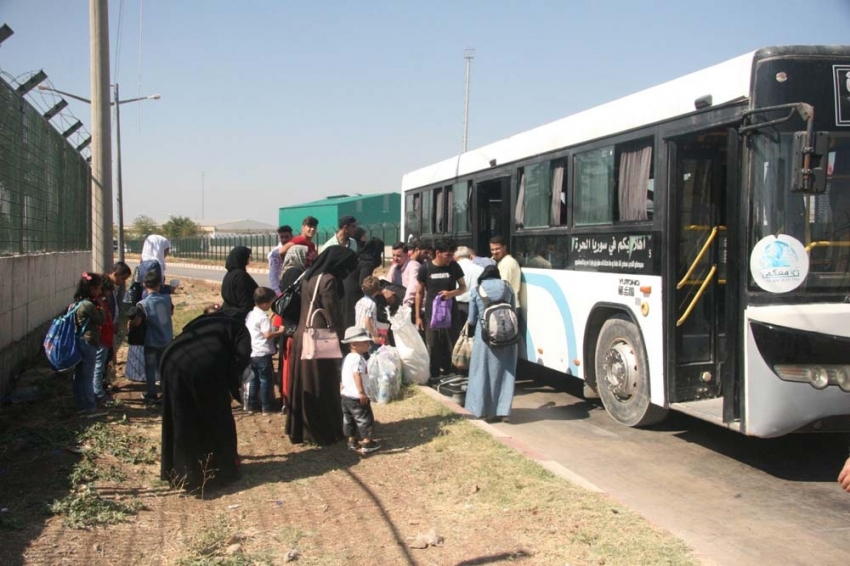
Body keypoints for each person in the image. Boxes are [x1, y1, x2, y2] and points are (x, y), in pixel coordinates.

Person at [159, 311, 252, 492]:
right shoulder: (240, 329)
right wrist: (233, 387)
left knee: (181, 416)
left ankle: (180, 470)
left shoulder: (200, 322)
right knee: (216, 416)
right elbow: (242, 358)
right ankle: (218, 469)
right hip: (204, 366)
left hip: (171, 359)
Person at [285, 246, 357, 446]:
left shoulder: (309, 276)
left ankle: (301, 430)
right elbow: (333, 314)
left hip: (302, 334)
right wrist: (344, 342)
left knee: (303, 383)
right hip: (319, 338)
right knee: (321, 384)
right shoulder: (328, 280)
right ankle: (322, 430)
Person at [464, 265, 518, 422]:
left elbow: (472, 320)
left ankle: (481, 410)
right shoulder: (508, 288)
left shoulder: (477, 290)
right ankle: (503, 411)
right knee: (506, 373)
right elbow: (513, 310)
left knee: (482, 372)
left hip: (485, 339)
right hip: (508, 337)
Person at [415, 237, 467, 381]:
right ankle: (434, 375)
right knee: (433, 346)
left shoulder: (454, 267)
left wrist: (451, 293)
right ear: (438, 253)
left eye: (452, 254)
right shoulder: (425, 268)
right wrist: (418, 316)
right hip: (432, 315)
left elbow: (463, 287)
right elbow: (419, 292)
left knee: (453, 344)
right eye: (448, 255)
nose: (450, 258)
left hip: (451, 314)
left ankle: (455, 375)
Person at [125, 235, 170, 383]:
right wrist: (169, 290)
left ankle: (139, 375)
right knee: (158, 341)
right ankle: (158, 379)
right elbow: (157, 288)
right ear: (158, 248)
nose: (166, 254)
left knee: (145, 343)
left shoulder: (142, 262)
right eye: (165, 250)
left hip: (142, 306)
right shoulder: (155, 264)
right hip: (154, 307)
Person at [130, 269, 174, 404]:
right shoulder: (167, 298)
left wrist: (130, 323)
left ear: (144, 285)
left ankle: (151, 393)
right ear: (159, 284)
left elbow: (137, 322)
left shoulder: (143, 304)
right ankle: (167, 392)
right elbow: (171, 312)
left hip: (151, 341)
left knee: (150, 367)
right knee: (164, 367)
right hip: (166, 339)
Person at [277, 245, 309, 412]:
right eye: (305, 255)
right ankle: (290, 400)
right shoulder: (296, 273)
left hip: (286, 323)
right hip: (293, 325)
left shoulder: (286, 271)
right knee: (291, 364)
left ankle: (286, 399)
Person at [339, 326, 381, 454]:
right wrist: (361, 392)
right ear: (354, 344)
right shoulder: (358, 359)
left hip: (346, 395)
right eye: (365, 342)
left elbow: (344, 373)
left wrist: (342, 385)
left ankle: (351, 441)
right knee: (364, 419)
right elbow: (356, 374)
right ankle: (367, 442)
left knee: (349, 419)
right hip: (357, 396)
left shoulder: (348, 358)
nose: (368, 344)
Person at [245, 287, 284, 415]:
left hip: (252, 352)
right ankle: (266, 406)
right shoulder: (263, 317)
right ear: (265, 304)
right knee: (266, 380)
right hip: (263, 353)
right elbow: (267, 334)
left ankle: (252, 405)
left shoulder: (250, 315)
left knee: (254, 380)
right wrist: (280, 331)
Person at [72, 272, 106, 414]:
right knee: (88, 375)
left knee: (79, 375)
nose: (100, 291)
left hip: (79, 341)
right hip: (88, 342)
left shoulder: (78, 303)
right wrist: (101, 305)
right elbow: (101, 320)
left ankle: (81, 404)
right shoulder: (88, 305)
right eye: (98, 288)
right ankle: (90, 407)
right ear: (92, 289)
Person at [220, 246, 258, 321]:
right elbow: (245, 301)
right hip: (239, 318)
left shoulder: (230, 274)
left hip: (228, 314)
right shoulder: (240, 276)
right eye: (247, 257)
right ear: (241, 258)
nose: (248, 259)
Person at [454, 246, 484, 328]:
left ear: (455, 257)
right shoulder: (480, 269)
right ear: (470, 256)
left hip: (457, 307)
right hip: (476, 306)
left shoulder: (453, 269)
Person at [490, 235, 522, 308]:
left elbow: (502, 288)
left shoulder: (507, 263)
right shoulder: (499, 261)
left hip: (507, 306)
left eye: (497, 249)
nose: (494, 252)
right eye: (492, 249)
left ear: (504, 248)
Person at [355, 276, 383, 345]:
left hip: (358, 332)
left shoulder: (359, 302)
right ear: (376, 292)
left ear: (362, 288)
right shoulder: (371, 304)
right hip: (368, 335)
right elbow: (367, 320)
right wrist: (374, 336)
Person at [267, 225, 293, 294]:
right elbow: (273, 274)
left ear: (291, 236)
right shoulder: (274, 254)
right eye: (282, 237)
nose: (284, 239)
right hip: (282, 288)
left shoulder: (296, 250)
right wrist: (278, 292)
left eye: (286, 237)